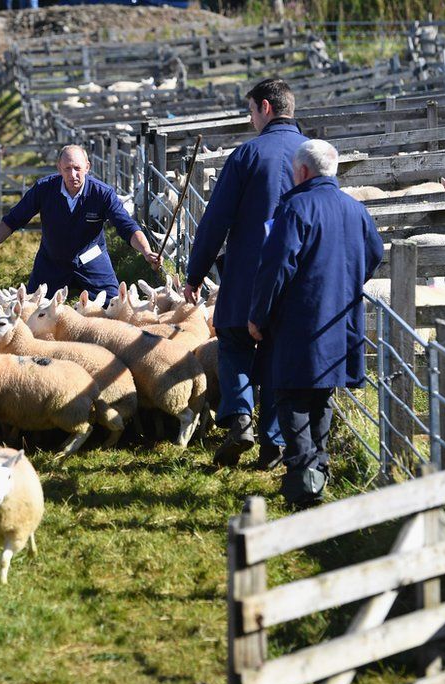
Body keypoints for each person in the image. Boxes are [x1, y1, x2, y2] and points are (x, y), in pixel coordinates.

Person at [247, 140, 383, 507]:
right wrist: (344, 283)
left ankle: (304, 479)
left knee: (291, 394)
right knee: (323, 394)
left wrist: (259, 316)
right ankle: (318, 469)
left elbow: (276, 267)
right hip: (340, 320)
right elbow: (375, 254)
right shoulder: (356, 210)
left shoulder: (295, 208)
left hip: (298, 320)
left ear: (303, 171)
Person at [183, 78, 307, 469]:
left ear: (266, 109)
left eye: (251, 110)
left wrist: (195, 272)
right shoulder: (313, 155)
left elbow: (216, 219)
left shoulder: (248, 154)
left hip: (248, 272)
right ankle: (272, 442)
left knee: (235, 340)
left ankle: (238, 417)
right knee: (276, 351)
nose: (250, 119)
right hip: (295, 274)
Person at [0, 144, 159, 300]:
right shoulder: (44, 189)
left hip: (92, 259)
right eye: (67, 168)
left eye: (77, 168)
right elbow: (12, 220)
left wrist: (146, 251)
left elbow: (126, 226)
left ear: (87, 167)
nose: (73, 174)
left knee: (115, 306)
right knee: (32, 308)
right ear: (59, 168)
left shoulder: (102, 193)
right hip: (52, 261)